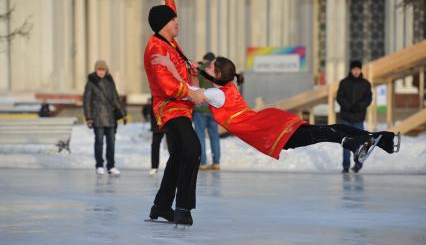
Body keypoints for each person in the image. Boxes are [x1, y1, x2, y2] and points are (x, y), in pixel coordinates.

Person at [151, 54, 399, 164]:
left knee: (321, 133)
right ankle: (383, 139)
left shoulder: (217, 93)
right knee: (324, 130)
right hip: (270, 122)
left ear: (215, 75)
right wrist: (198, 71)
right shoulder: (228, 86)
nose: (208, 66)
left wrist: (171, 68)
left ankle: (354, 144)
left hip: (268, 131)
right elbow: (199, 89)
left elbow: (192, 94)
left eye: (211, 65)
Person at [144, 0, 205, 225]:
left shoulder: (167, 42)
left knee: (180, 154)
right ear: (163, 25)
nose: (177, 22)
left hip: (181, 108)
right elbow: (166, 84)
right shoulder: (156, 49)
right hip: (169, 108)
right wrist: (192, 93)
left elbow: (166, 14)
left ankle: (161, 206)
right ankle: (182, 208)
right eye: (174, 20)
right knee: (192, 149)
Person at [83, 60, 127, 176]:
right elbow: (87, 101)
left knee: (111, 143)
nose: (101, 72)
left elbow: (115, 99)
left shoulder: (110, 81)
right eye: (99, 69)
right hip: (98, 117)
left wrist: (123, 114)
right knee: (99, 142)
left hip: (111, 117)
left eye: (103, 70)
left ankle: (111, 166)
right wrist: (88, 118)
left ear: (106, 70)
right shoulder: (91, 83)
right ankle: (99, 165)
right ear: (96, 70)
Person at [337, 60, 372, 173]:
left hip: (358, 118)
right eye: (354, 69)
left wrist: (359, 106)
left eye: (358, 69)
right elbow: (340, 97)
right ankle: (345, 166)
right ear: (351, 70)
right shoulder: (344, 83)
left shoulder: (366, 84)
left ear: (360, 70)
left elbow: (368, 98)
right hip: (346, 118)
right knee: (346, 143)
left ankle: (358, 165)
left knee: (359, 143)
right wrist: (348, 106)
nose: (356, 71)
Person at [193, 52, 221, 171]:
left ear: (204, 59)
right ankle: (216, 162)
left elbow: (195, 86)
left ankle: (203, 162)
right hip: (213, 108)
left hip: (200, 108)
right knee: (214, 136)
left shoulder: (200, 70)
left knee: (200, 136)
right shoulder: (217, 70)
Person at [143, 97, 173, 175]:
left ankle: (174, 164)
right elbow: (152, 107)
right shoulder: (155, 94)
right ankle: (154, 166)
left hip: (168, 119)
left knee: (171, 144)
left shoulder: (169, 93)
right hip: (157, 121)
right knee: (155, 144)